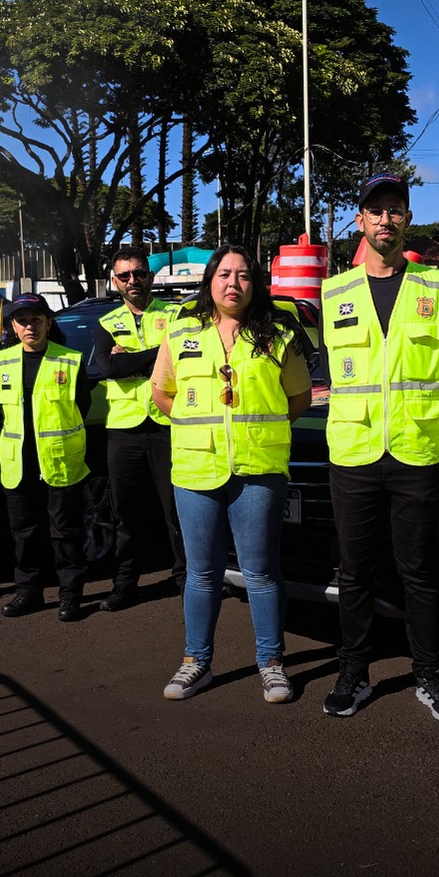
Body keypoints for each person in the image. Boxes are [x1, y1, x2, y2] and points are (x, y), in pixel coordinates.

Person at [318, 173, 439, 723]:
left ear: (407, 219)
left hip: (416, 451)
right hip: (353, 453)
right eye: (375, 210)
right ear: (360, 221)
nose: (386, 219)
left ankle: (428, 674)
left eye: (395, 209)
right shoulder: (334, 292)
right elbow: (330, 369)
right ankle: (354, 673)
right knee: (354, 573)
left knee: (419, 572)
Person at [150, 244, 312, 703]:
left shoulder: (278, 334)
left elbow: (298, 398)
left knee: (261, 572)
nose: (233, 283)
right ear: (210, 282)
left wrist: (254, 433)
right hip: (197, 469)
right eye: (224, 274)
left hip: (258, 470)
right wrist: (199, 429)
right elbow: (162, 393)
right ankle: (195, 661)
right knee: (201, 573)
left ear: (255, 284)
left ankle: (272, 663)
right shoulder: (181, 330)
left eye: (243, 275)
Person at [0, 294, 94, 622]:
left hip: (60, 459)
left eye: (36, 319)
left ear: (48, 323)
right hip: (18, 462)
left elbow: (82, 406)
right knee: (24, 533)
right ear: (12, 326)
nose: (29, 326)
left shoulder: (70, 360)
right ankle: (28, 592)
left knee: (65, 532)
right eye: (22, 320)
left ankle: (70, 595)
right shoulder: (0, 361)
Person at [94, 246, 185, 611]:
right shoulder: (107, 322)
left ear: (151, 276)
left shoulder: (176, 314)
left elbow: (182, 358)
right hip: (124, 430)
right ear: (114, 281)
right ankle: (125, 583)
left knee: (176, 511)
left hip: (167, 424)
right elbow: (107, 368)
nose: (133, 280)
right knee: (126, 513)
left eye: (139, 273)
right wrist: (158, 354)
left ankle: (187, 581)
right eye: (125, 275)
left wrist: (130, 359)